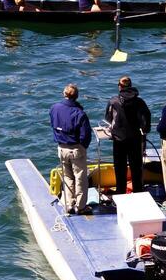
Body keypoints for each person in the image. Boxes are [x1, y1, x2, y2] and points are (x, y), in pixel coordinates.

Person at [104, 76, 151, 198]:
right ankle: (138, 192)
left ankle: (120, 192)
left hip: (119, 139)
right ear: (130, 86)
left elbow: (108, 118)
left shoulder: (114, 101)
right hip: (135, 138)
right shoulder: (139, 101)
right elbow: (147, 115)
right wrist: (145, 129)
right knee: (136, 166)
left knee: (120, 167)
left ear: (120, 86)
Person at [50, 84, 94, 216]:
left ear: (64, 94)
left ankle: (69, 203)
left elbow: (53, 124)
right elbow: (85, 135)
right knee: (80, 178)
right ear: (76, 96)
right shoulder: (79, 113)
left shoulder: (54, 108)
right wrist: (82, 146)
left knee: (67, 176)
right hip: (76, 148)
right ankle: (80, 207)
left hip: (61, 147)